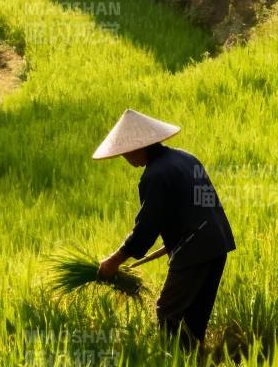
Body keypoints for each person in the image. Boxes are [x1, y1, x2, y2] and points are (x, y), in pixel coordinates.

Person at [95, 108, 235, 350]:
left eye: (125, 152)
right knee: (194, 316)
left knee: (168, 312)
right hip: (217, 244)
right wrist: (178, 238)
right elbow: (202, 206)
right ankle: (195, 366)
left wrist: (114, 261)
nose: (125, 158)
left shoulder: (155, 176)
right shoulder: (185, 158)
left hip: (195, 252)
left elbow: (146, 229)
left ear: (139, 146)